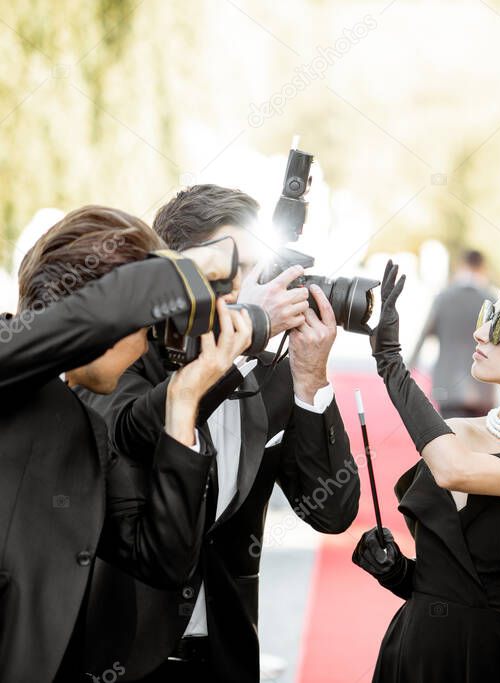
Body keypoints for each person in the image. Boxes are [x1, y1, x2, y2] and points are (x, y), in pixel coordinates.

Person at [77, 185, 361, 683]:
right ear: (170, 270)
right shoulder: (126, 350)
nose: (247, 288)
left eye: (254, 268)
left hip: (225, 651)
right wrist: (241, 343)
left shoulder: (271, 374)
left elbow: (331, 512)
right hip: (114, 648)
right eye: (226, 270)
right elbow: (131, 433)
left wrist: (311, 378)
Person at [0, 205, 251, 682]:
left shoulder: (87, 432)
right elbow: (83, 321)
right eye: (142, 326)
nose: (144, 346)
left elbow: (162, 559)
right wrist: (190, 268)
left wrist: (182, 406)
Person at [353, 261, 500, 683]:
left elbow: (455, 471)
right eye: (487, 317)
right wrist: (398, 572)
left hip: (484, 665)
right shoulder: (455, 432)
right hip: (406, 655)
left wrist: (390, 361)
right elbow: (448, 586)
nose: (481, 333)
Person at [408, 249, 497, 418]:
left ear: (461, 265)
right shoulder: (490, 299)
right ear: (482, 267)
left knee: (451, 438)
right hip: (482, 386)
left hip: (447, 385)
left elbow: (425, 334)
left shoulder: (444, 297)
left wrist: (408, 369)